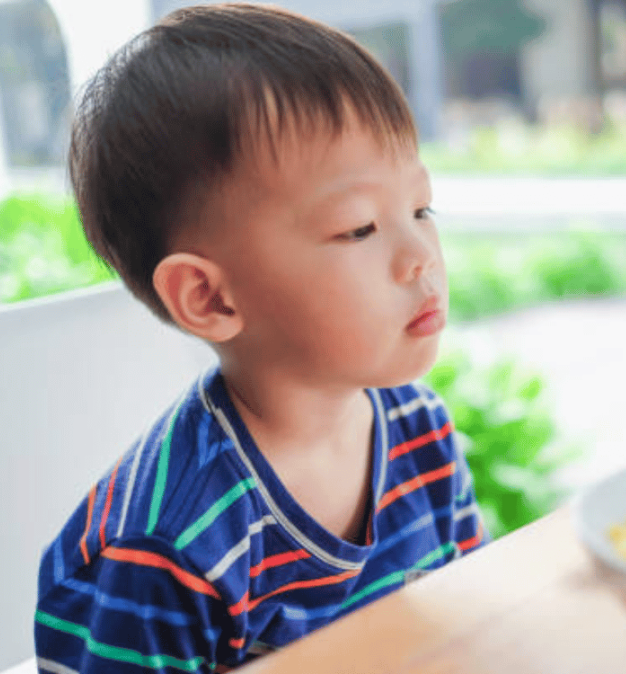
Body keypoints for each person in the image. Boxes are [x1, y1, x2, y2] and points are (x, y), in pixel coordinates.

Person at [34, 4, 488, 672]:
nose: (421, 253)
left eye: (421, 209)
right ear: (211, 297)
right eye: (359, 227)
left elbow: (475, 624)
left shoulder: (420, 430)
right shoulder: (166, 547)